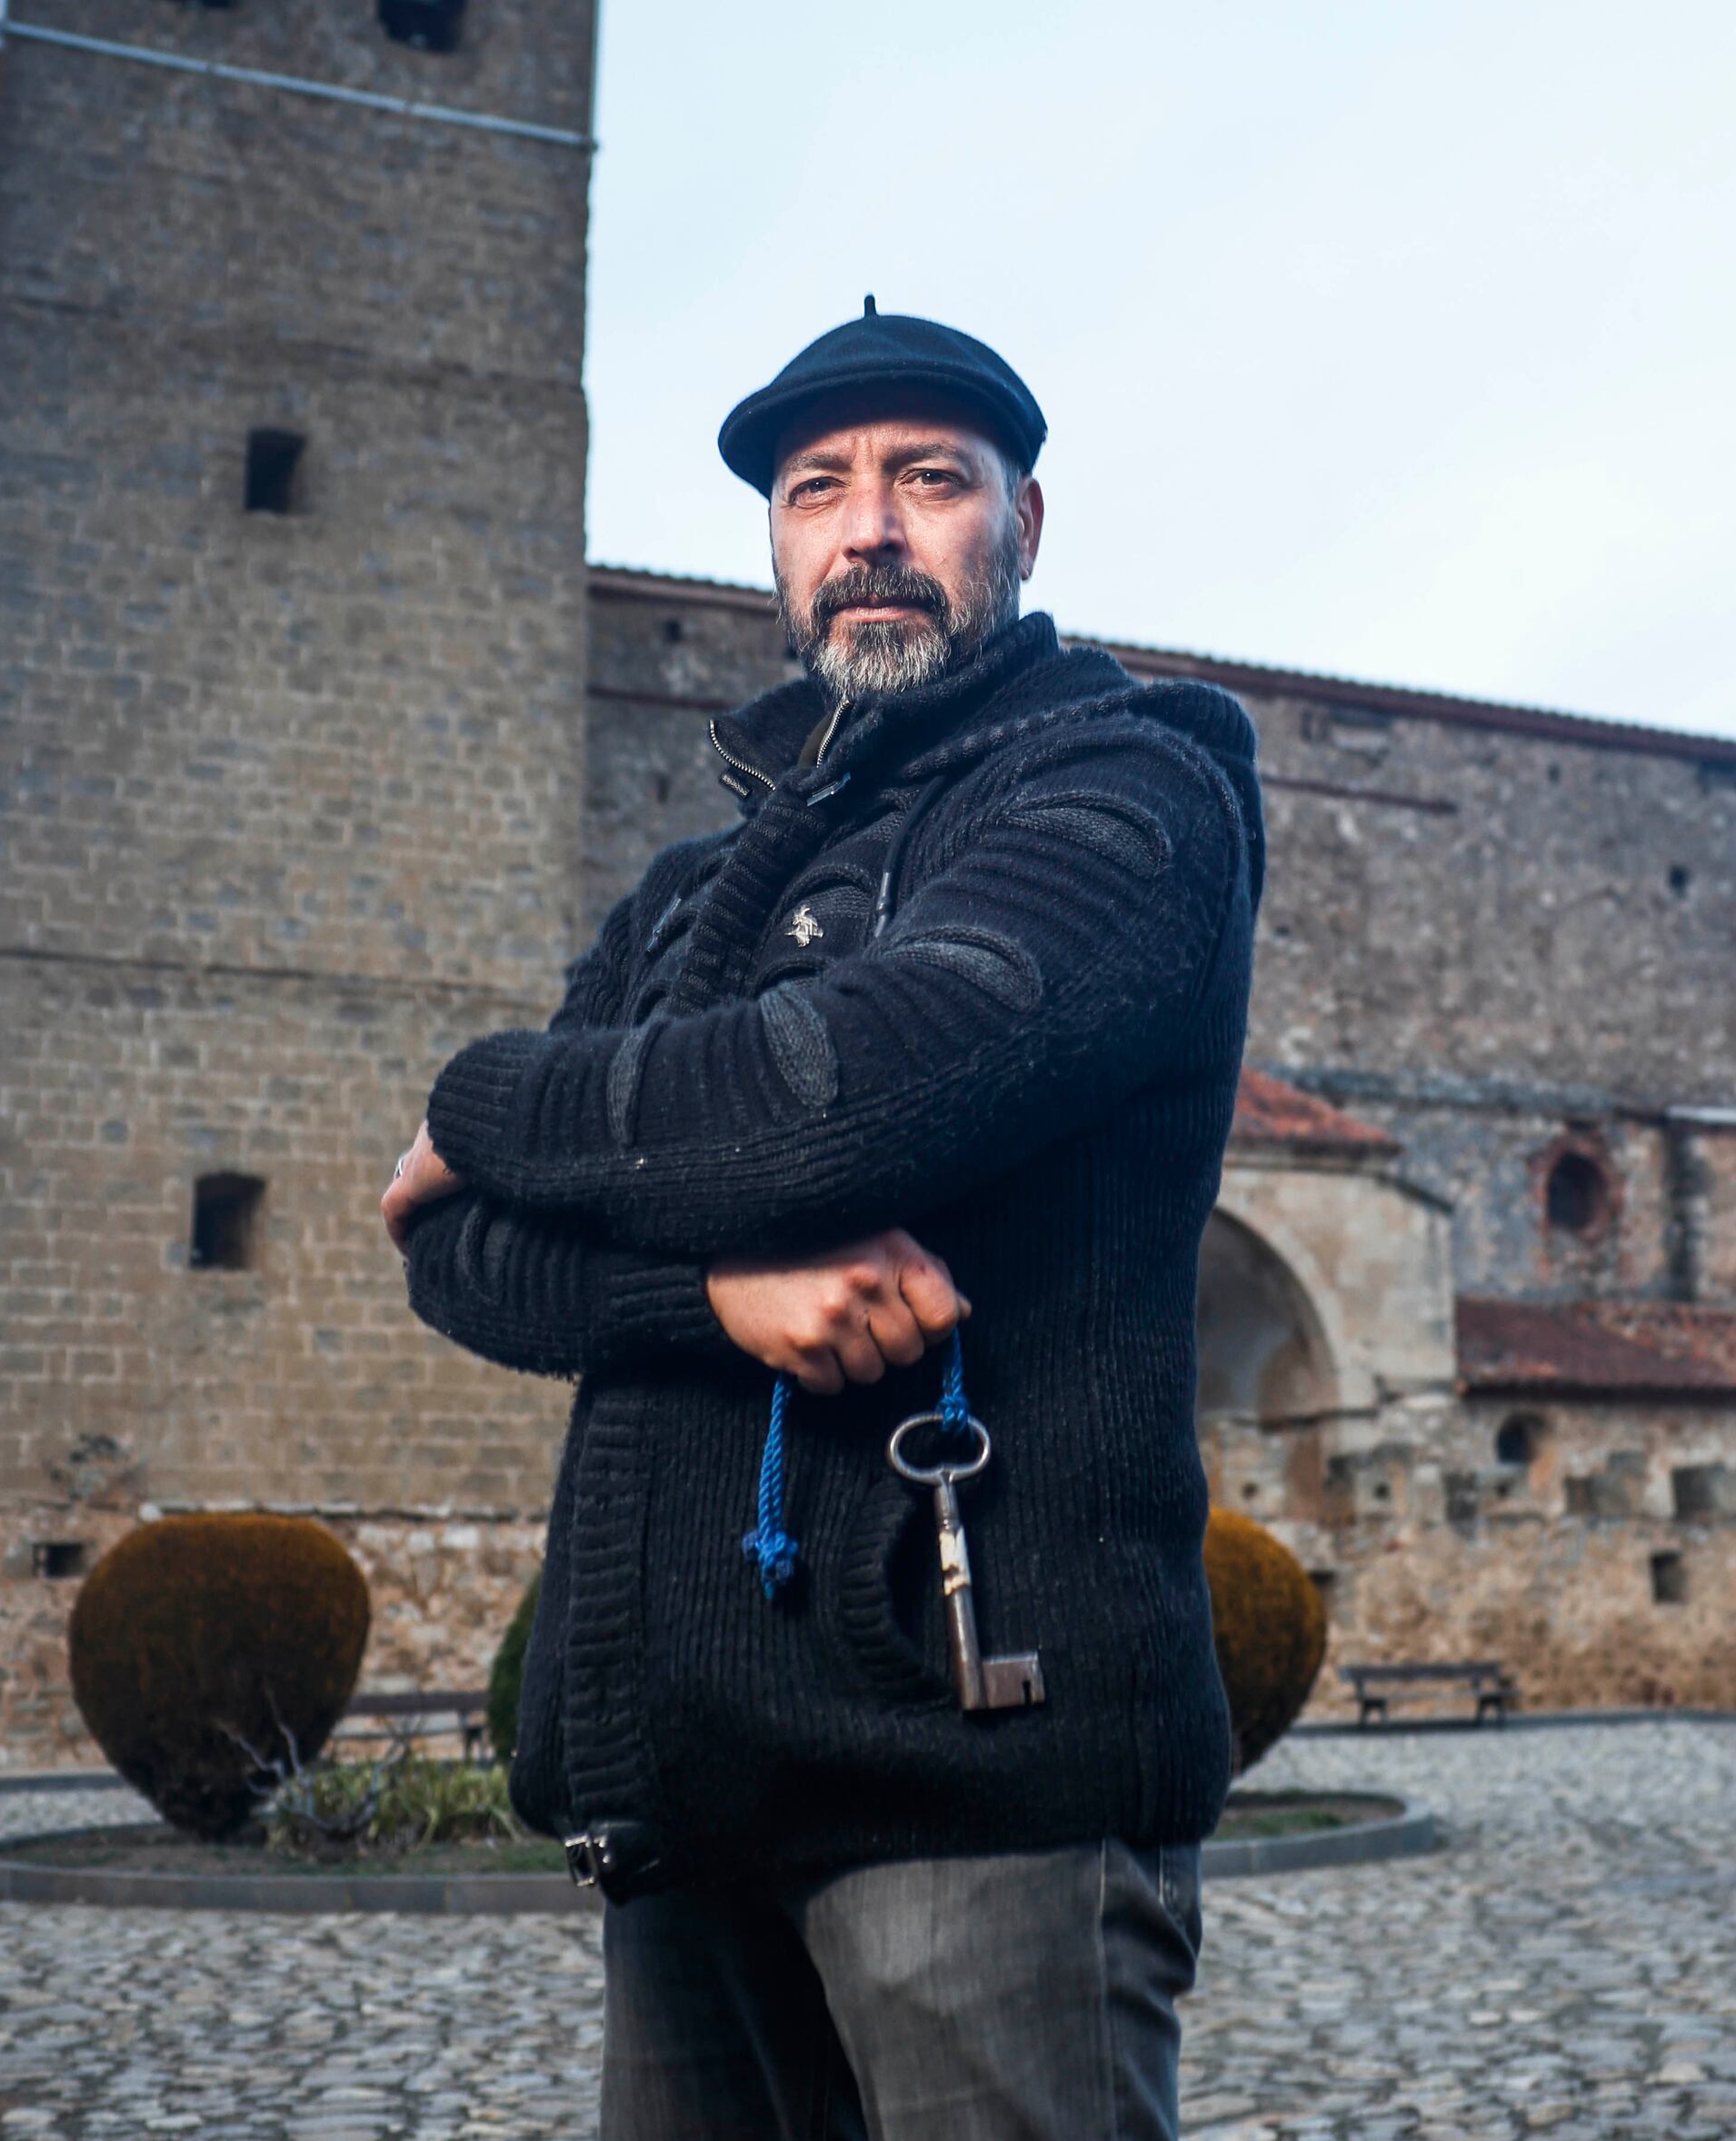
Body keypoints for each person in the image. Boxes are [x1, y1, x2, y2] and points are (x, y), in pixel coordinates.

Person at [382, 304, 1262, 2141]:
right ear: (777, 549)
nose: (870, 523)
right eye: (817, 489)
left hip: (976, 1783)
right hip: (682, 1790)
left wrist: (475, 1104)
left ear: (1022, 529)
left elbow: (846, 1088)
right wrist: (719, 1291)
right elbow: (458, 1259)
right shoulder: (688, 893)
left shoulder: (1127, 786)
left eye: (930, 480)